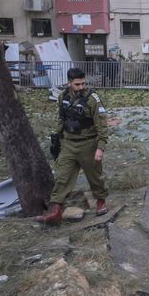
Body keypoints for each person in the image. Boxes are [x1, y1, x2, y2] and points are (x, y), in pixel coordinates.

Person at [36, 68, 109, 224]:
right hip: (68, 144)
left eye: (83, 83)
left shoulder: (93, 99)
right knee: (62, 176)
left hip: (88, 144)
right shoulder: (63, 97)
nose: (81, 87)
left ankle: (101, 201)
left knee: (95, 177)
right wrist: (57, 139)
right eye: (77, 84)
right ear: (69, 83)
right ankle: (55, 211)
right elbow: (61, 119)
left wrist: (100, 147)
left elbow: (102, 125)